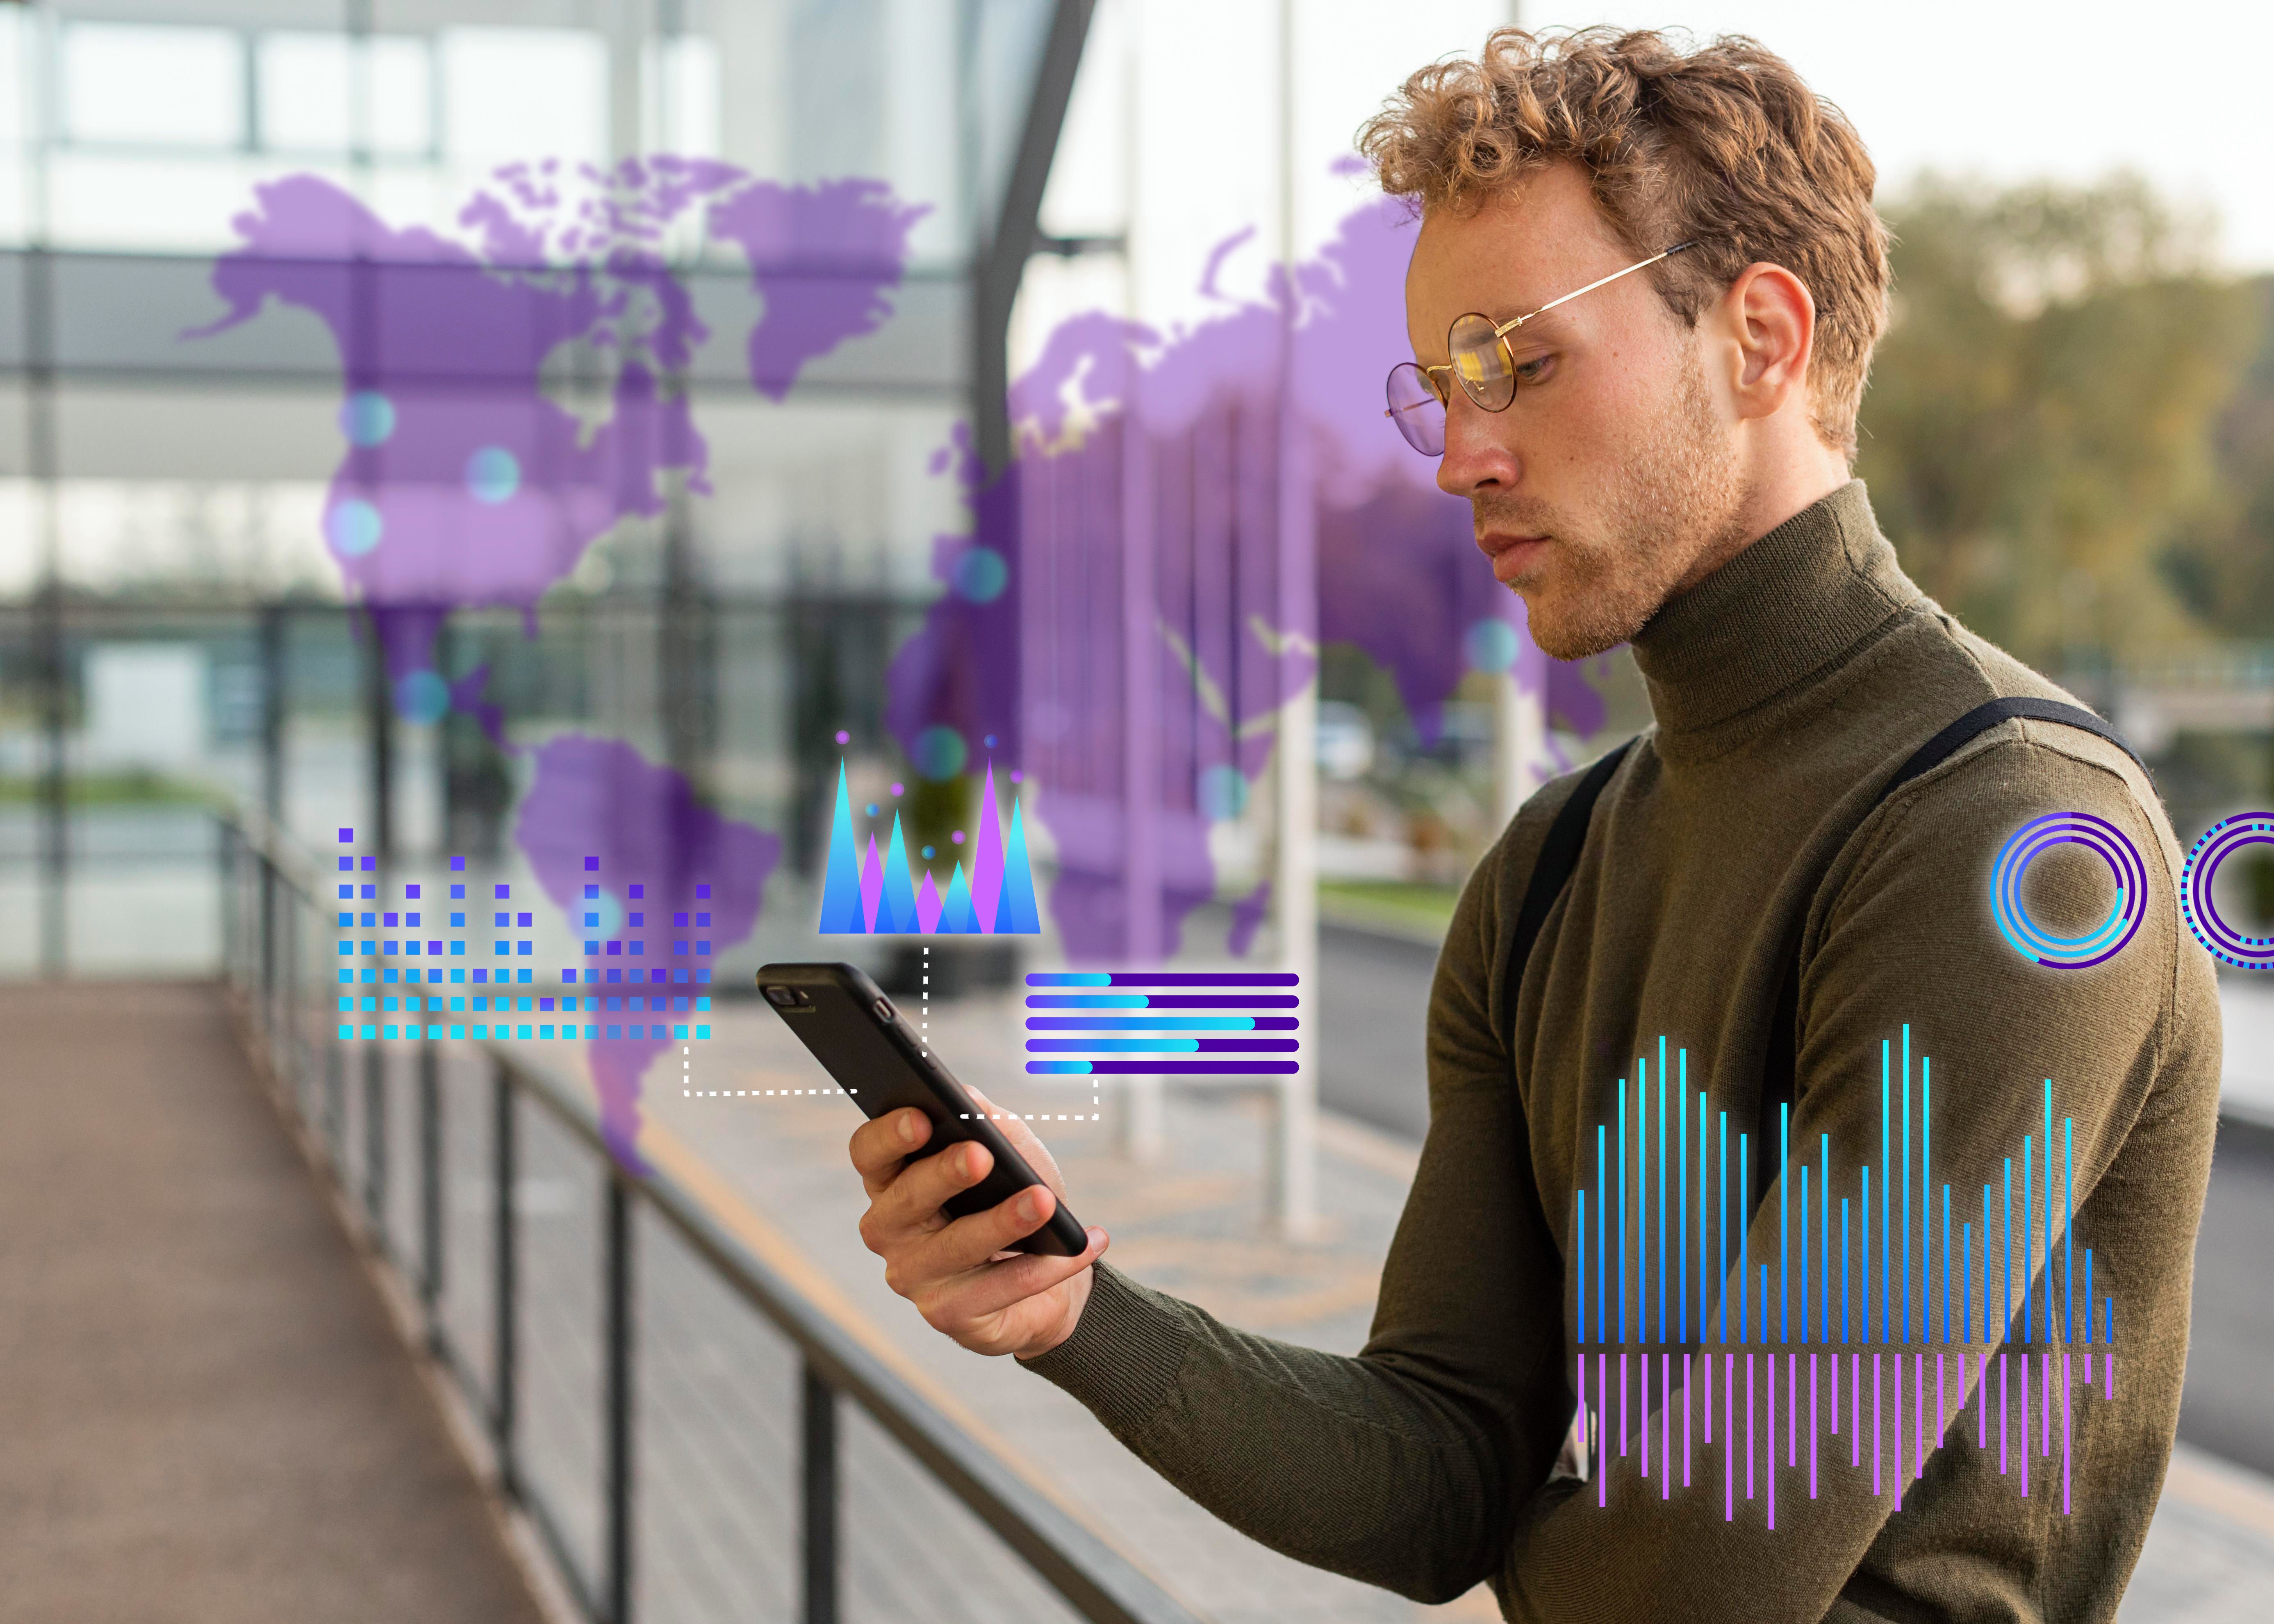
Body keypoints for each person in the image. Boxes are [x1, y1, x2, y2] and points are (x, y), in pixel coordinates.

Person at [847, 27, 2219, 1622]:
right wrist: (1073, 1310)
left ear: (1760, 339)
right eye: (1436, 382)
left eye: (1518, 361)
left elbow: (1696, 1576)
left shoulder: (2017, 842)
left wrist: (1535, 1535)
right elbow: (1439, 1470)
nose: (1454, 451)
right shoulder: (1550, 866)